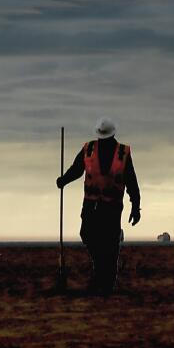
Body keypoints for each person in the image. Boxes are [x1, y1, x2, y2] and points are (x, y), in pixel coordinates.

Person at [55, 117, 141, 294]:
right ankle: (100, 273)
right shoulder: (89, 149)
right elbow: (77, 169)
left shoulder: (122, 153)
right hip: (91, 205)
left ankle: (106, 283)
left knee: (110, 244)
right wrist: (64, 180)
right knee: (87, 235)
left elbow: (131, 181)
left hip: (112, 207)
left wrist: (135, 206)